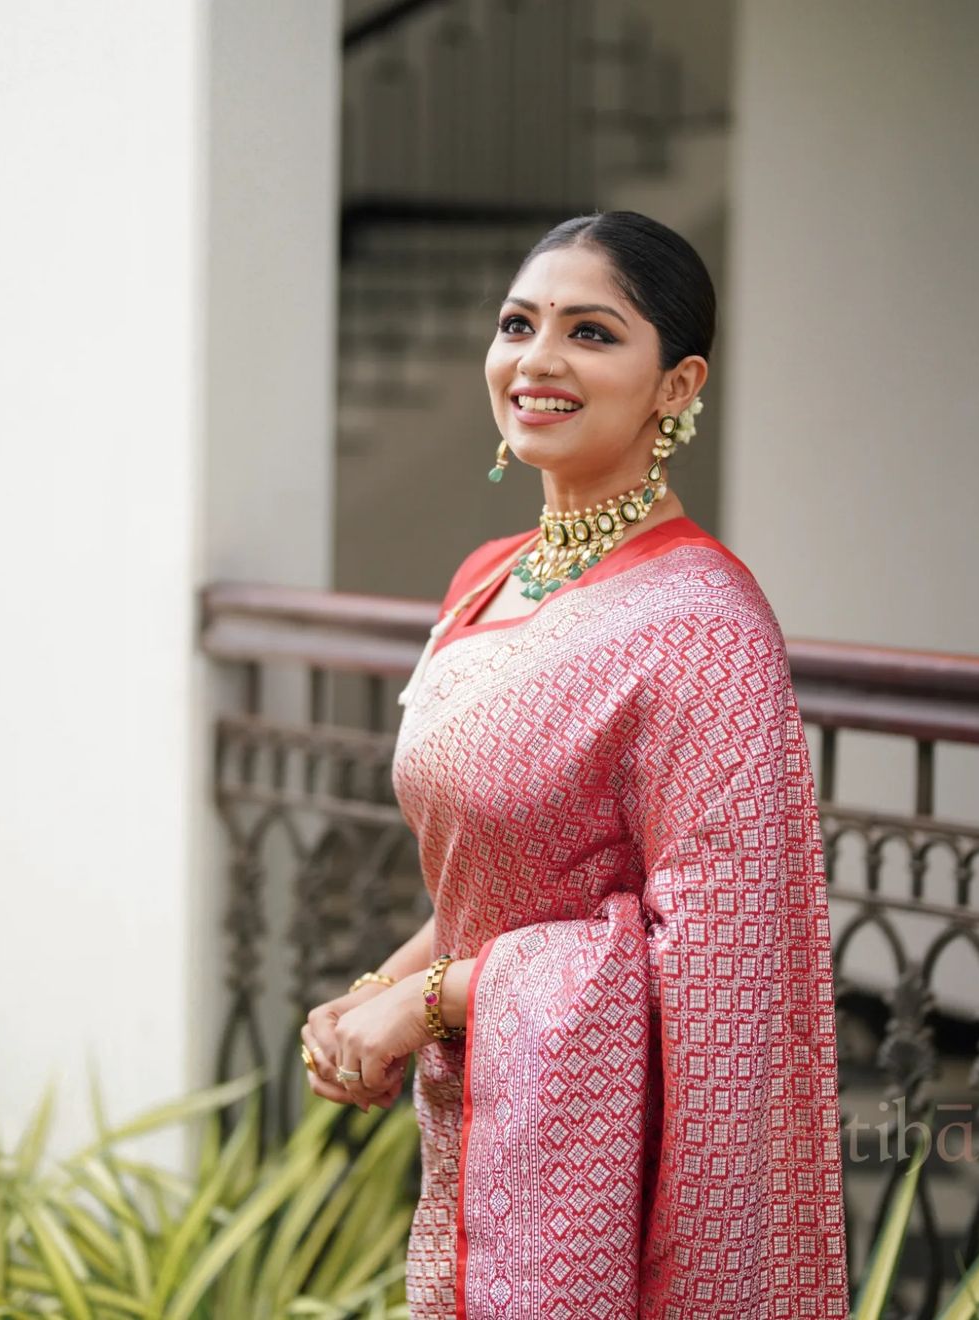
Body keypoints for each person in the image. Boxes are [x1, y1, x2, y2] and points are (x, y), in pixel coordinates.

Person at [301, 210, 849, 1318]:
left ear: (677, 383)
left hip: (607, 1167)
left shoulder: (703, 625)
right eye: (518, 323)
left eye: (592, 333)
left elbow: (715, 967)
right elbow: (487, 881)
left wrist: (433, 1005)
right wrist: (378, 992)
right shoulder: (486, 579)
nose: (537, 360)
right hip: (487, 1111)